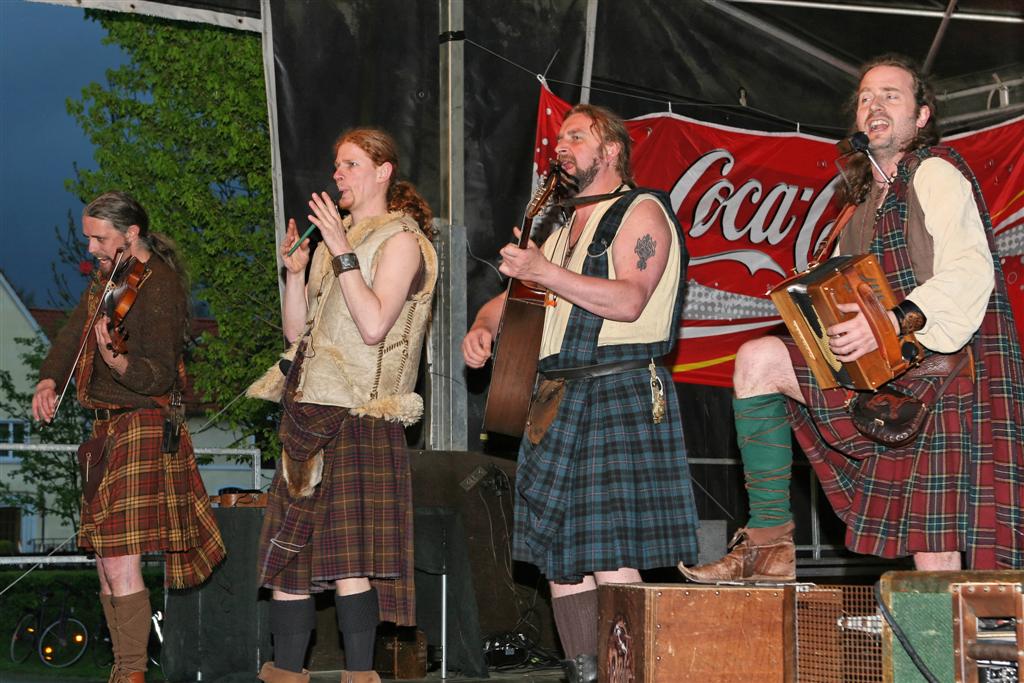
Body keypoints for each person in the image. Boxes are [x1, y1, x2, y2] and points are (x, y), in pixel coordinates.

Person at [680, 54, 1024, 583]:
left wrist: (891, 321)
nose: (874, 105)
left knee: (932, 545)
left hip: (945, 373)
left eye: (891, 95)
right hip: (886, 371)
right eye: (866, 98)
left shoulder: (935, 173)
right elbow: (849, 300)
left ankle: (946, 638)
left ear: (921, 117)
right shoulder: (861, 204)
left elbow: (969, 272)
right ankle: (770, 544)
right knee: (758, 360)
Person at [462, 104, 699, 683]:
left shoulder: (641, 211)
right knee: (561, 560)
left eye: (576, 136)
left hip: (616, 388)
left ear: (611, 150)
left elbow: (630, 300)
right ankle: (585, 672)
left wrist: (544, 272)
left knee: (611, 556)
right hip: (557, 401)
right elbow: (512, 300)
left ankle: (632, 675)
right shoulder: (563, 229)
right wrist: (484, 326)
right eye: (559, 138)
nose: (561, 146)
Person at [248, 128, 437, 683]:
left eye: (351, 164)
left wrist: (342, 251)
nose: (338, 174)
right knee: (290, 566)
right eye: (336, 165)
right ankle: (285, 674)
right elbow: (296, 334)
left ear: (383, 171)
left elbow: (374, 325)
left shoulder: (403, 240)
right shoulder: (339, 244)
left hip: (361, 415)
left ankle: (359, 675)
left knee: (351, 564)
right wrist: (296, 274)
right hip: (309, 413)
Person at [31, 191, 226, 683]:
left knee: (119, 562)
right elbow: (74, 334)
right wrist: (49, 379)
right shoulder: (111, 281)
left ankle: (132, 675)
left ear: (131, 233)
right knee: (105, 563)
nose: (91, 247)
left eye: (99, 238)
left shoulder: (158, 287)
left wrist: (118, 362)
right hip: (107, 431)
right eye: (88, 237)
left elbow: (158, 374)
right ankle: (124, 671)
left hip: (142, 424)